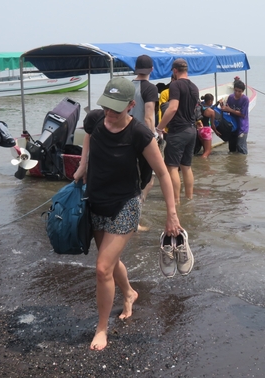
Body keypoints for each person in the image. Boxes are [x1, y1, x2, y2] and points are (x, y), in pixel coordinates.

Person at [73, 77, 182, 351]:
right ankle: (130, 292)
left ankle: (101, 328)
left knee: (101, 268)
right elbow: (87, 139)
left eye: (116, 109)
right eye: (106, 107)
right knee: (109, 262)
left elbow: (163, 174)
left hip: (125, 205)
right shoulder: (96, 120)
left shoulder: (140, 135)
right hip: (96, 201)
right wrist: (82, 167)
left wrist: (172, 214)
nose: (109, 114)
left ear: (131, 106)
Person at [156, 59, 200, 204]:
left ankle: (176, 202)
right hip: (191, 131)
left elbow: (173, 108)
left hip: (178, 131)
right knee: (186, 167)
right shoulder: (194, 87)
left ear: (175, 71)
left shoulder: (175, 85)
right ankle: (189, 198)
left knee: (172, 167)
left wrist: (160, 127)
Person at [128, 54, 160, 207]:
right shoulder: (150, 88)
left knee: (130, 176)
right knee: (148, 179)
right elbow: (148, 117)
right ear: (151, 69)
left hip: (125, 136)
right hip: (142, 139)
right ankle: (137, 211)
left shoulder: (127, 86)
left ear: (136, 69)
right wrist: (153, 136)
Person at [221, 79, 249, 154]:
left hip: (242, 126)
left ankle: (243, 164)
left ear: (242, 91)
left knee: (241, 147)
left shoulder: (245, 99)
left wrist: (230, 110)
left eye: (239, 91)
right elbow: (227, 109)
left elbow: (242, 114)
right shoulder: (230, 97)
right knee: (232, 148)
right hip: (232, 126)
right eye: (236, 90)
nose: (237, 93)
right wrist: (223, 107)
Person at [198, 93, 216, 158]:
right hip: (206, 131)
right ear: (210, 101)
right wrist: (216, 132)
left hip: (200, 130)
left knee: (205, 150)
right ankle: (202, 164)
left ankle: (205, 166)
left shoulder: (200, 106)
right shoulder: (211, 111)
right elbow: (212, 125)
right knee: (208, 152)